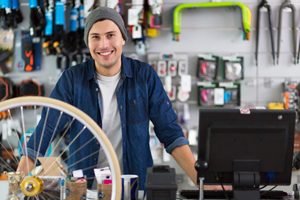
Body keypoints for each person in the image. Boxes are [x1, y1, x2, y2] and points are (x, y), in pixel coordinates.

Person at [17, 7, 197, 189]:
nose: (103, 44)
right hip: (84, 192)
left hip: (134, 189)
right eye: (95, 37)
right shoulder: (72, 79)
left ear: (123, 38)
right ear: (87, 42)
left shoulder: (144, 76)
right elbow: (46, 128)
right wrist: (17, 182)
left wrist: (201, 182)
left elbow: (170, 132)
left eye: (110, 35)